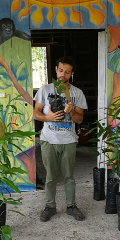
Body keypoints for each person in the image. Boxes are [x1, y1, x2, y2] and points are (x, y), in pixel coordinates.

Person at [33, 56, 88, 222]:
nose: (63, 74)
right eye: (61, 70)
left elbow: (79, 120)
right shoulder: (44, 89)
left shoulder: (77, 93)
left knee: (69, 176)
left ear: (72, 74)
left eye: (67, 72)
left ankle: (71, 206)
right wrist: (48, 117)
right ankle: (50, 206)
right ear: (56, 69)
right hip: (48, 140)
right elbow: (36, 114)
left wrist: (71, 112)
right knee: (50, 176)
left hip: (69, 140)